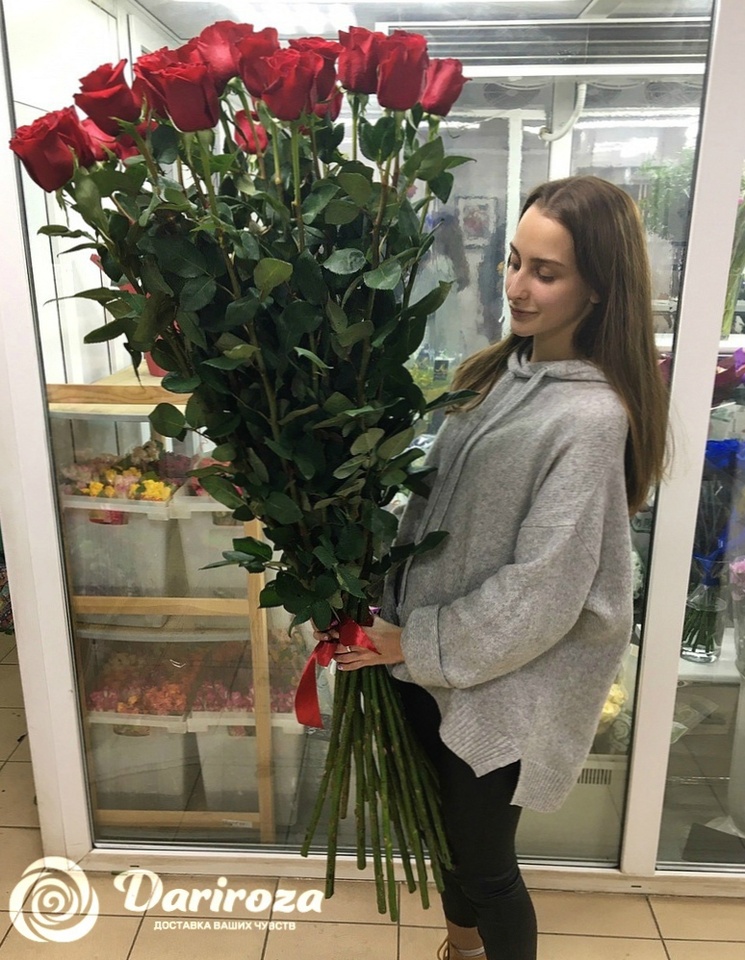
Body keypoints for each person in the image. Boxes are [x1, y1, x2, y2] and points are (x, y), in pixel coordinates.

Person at [314, 176, 669, 960]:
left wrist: (417, 641)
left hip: (503, 680)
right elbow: (430, 506)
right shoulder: (492, 373)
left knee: (486, 867)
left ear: (597, 288)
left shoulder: (591, 417)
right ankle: (460, 950)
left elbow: (543, 589)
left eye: (545, 272)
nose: (515, 286)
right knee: (446, 845)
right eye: (513, 261)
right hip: (425, 657)